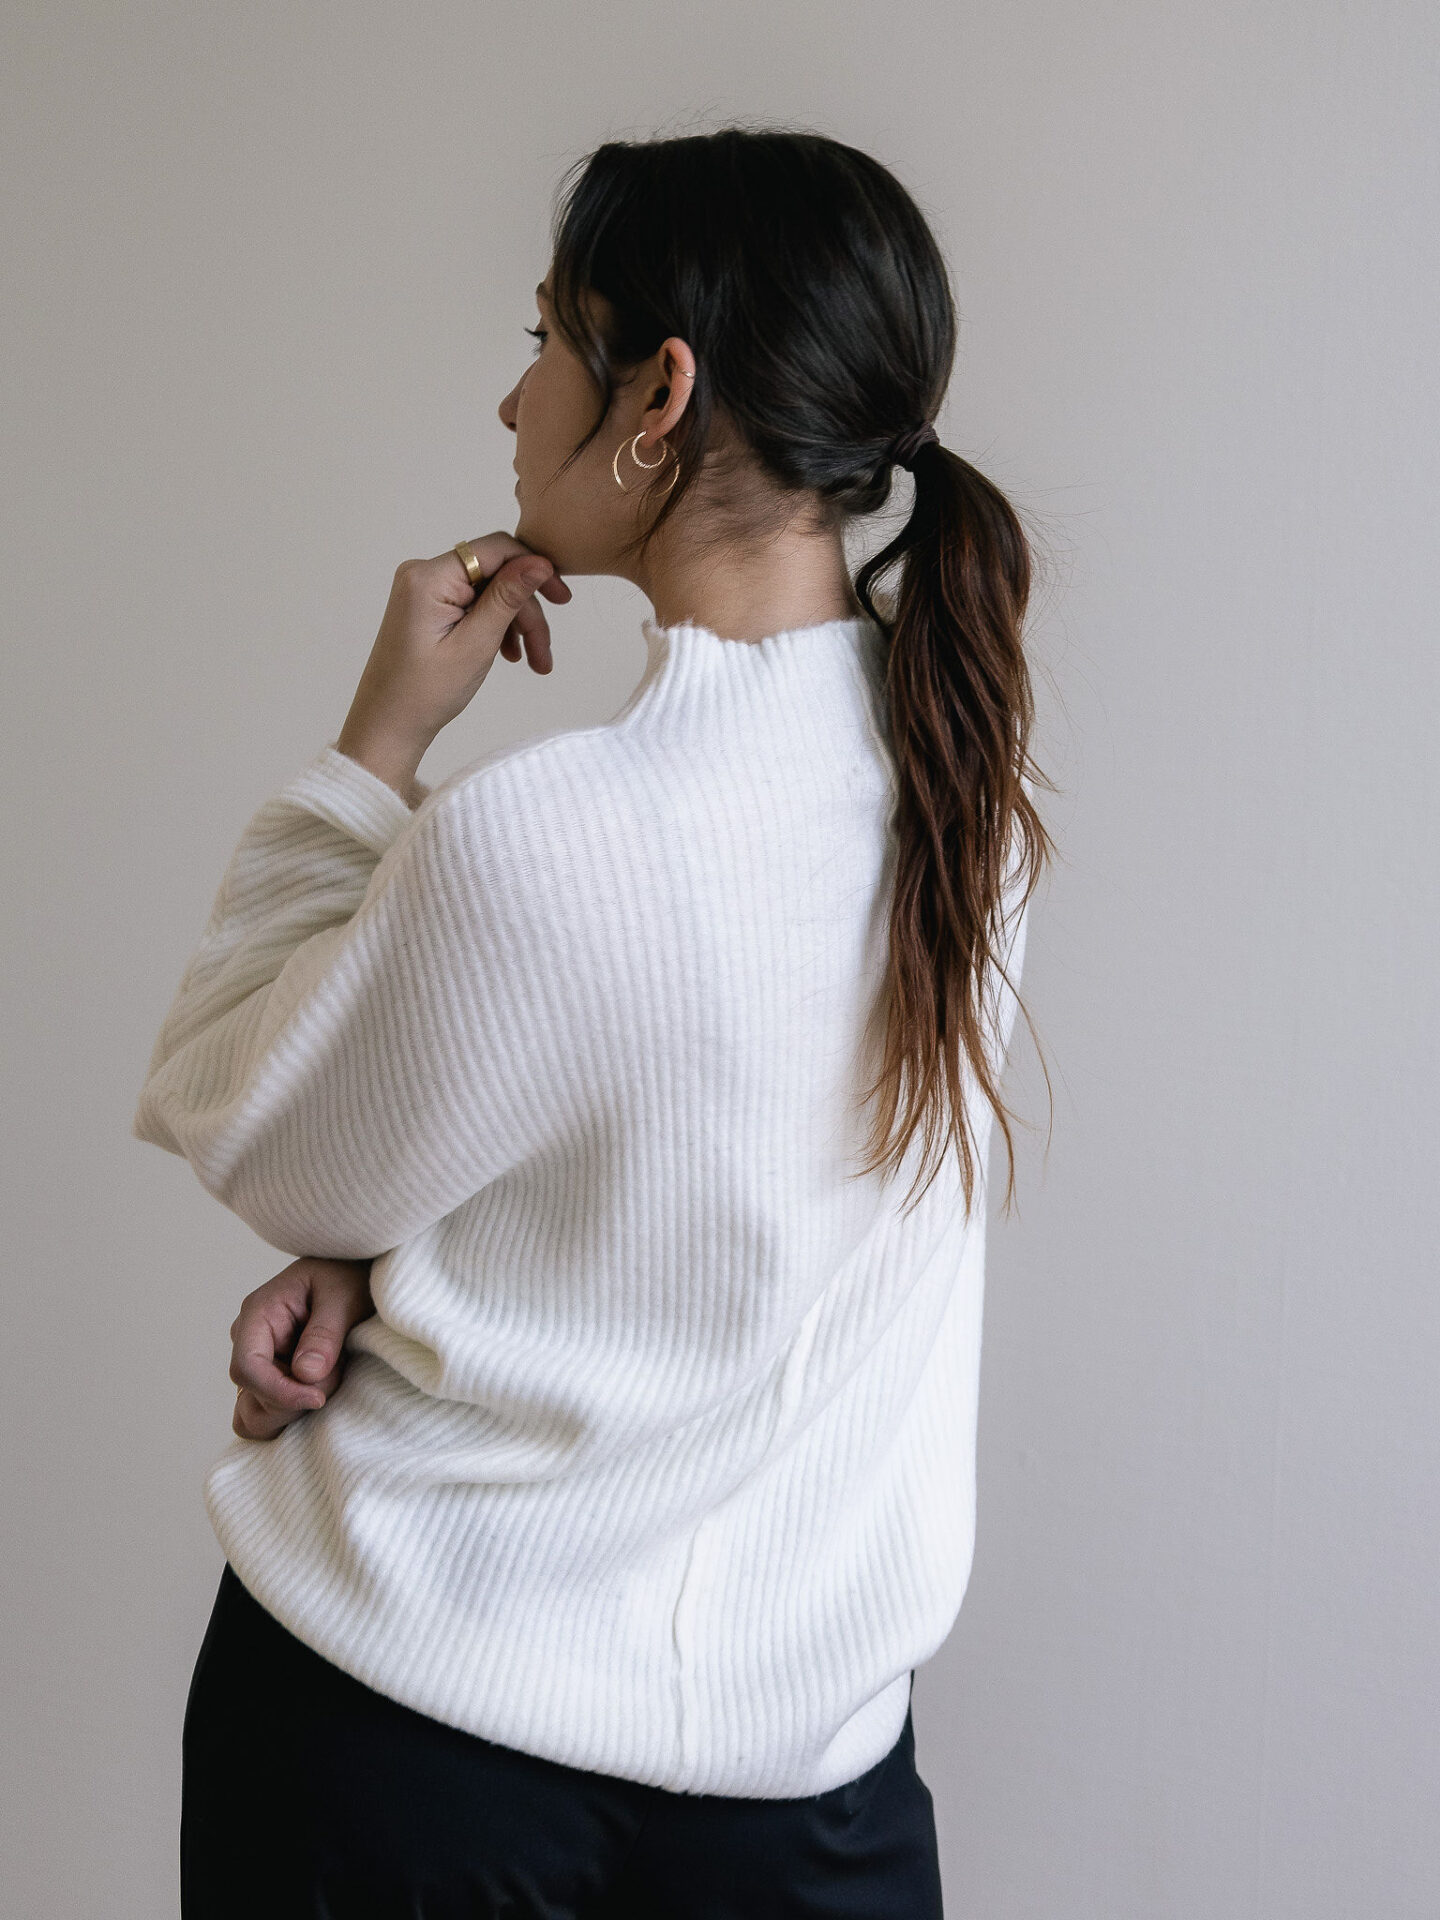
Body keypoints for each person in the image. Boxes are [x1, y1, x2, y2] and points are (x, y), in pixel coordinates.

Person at [133, 124, 1055, 1920]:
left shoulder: (553, 838)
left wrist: (376, 746)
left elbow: (246, 1118)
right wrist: (392, 1259)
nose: (511, 399)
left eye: (546, 339)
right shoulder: (967, 797)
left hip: (412, 1742)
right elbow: (731, 1199)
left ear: (660, 394)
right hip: (812, 1794)